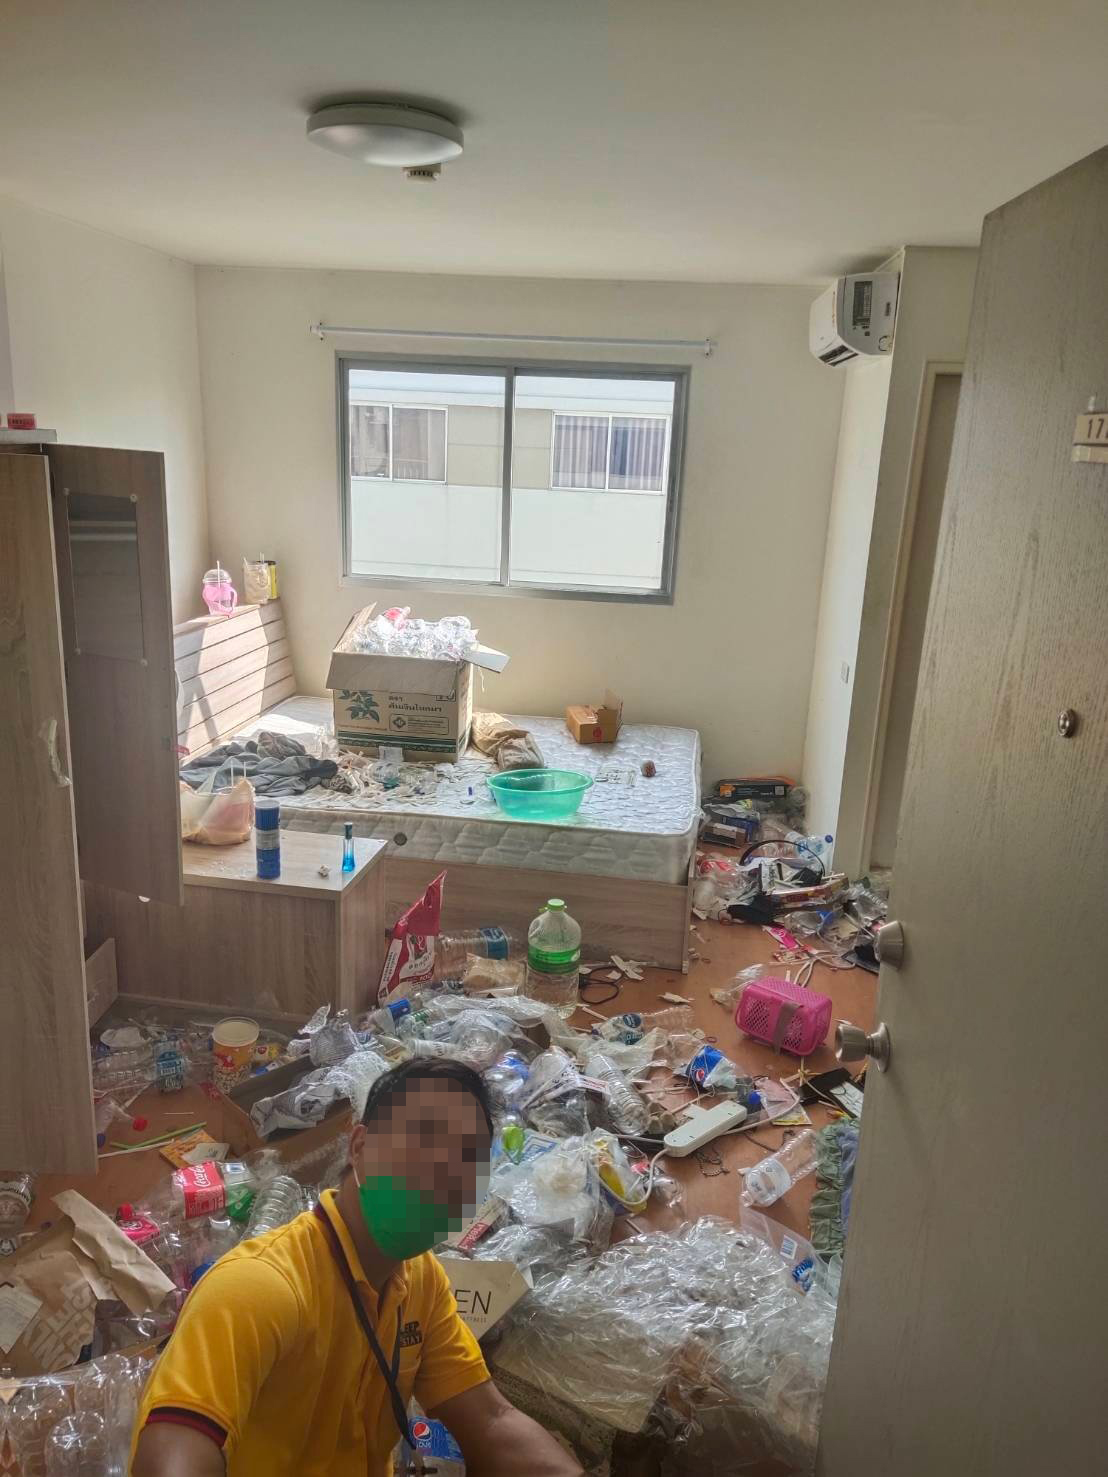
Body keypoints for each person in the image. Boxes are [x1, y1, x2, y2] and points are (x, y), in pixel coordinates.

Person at [131, 1057, 582, 1477]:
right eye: (425, 1139)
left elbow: (491, 1420)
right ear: (360, 1147)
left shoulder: (420, 1280)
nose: (444, 1169)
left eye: (468, 1157)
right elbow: (176, 1447)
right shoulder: (259, 1288)